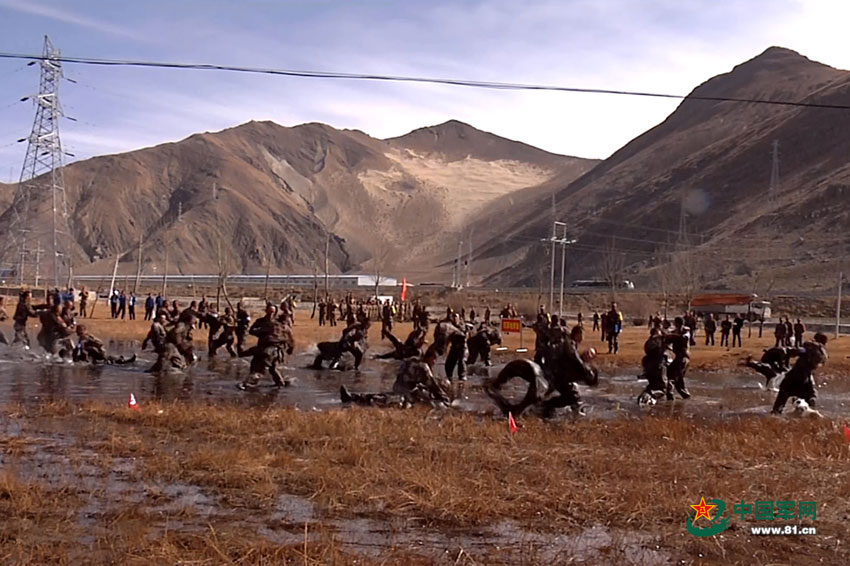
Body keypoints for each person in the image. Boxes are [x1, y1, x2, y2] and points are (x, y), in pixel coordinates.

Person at [340, 348, 450, 408]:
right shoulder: (424, 367)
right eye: (434, 359)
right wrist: (444, 398)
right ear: (430, 357)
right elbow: (432, 385)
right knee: (392, 401)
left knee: (384, 396)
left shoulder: (413, 360)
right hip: (405, 392)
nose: (435, 362)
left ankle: (354, 397)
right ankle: (355, 399)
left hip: (399, 387)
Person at [239, 304, 294, 389]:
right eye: (269, 311)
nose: (271, 314)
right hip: (262, 346)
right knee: (264, 366)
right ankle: (280, 383)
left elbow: (290, 338)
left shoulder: (279, 323)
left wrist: (290, 349)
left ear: (275, 312)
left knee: (264, 366)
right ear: (266, 311)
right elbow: (252, 331)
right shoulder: (261, 321)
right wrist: (261, 332)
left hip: (274, 349)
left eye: (273, 312)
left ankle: (249, 383)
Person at [772, 333, 828, 414]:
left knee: (783, 394)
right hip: (806, 378)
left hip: (794, 376)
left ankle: (776, 412)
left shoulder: (809, 347)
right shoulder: (822, 353)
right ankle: (809, 413)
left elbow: (798, 351)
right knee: (810, 396)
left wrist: (790, 352)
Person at [637, 327, 669, 404]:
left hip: (649, 366)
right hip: (658, 366)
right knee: (662, 388)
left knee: (653, 385)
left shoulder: (649, 342)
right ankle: (648, 395)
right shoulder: (659, 340)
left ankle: (646, 396)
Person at [664, 316, 691, 400]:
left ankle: (670, 395)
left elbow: (682, 337)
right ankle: (685, 395)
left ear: (677, 323)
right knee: (678, 378)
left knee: (672, 376)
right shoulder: (677, 332)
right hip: (681, 358)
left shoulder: (685, 333)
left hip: (682, 358)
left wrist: (671, 336)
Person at [444, 313, 468, 381]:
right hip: (454, 347)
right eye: (453, 317)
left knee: (462, 363)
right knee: (448, 364)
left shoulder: (463, 326)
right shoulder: (450, 327)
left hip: (462, 348)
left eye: (456, 317)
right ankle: (449, 378)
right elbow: (447, 337)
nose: (454, 319)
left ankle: (462, 378)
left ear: (459, 318)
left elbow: (465, 336)